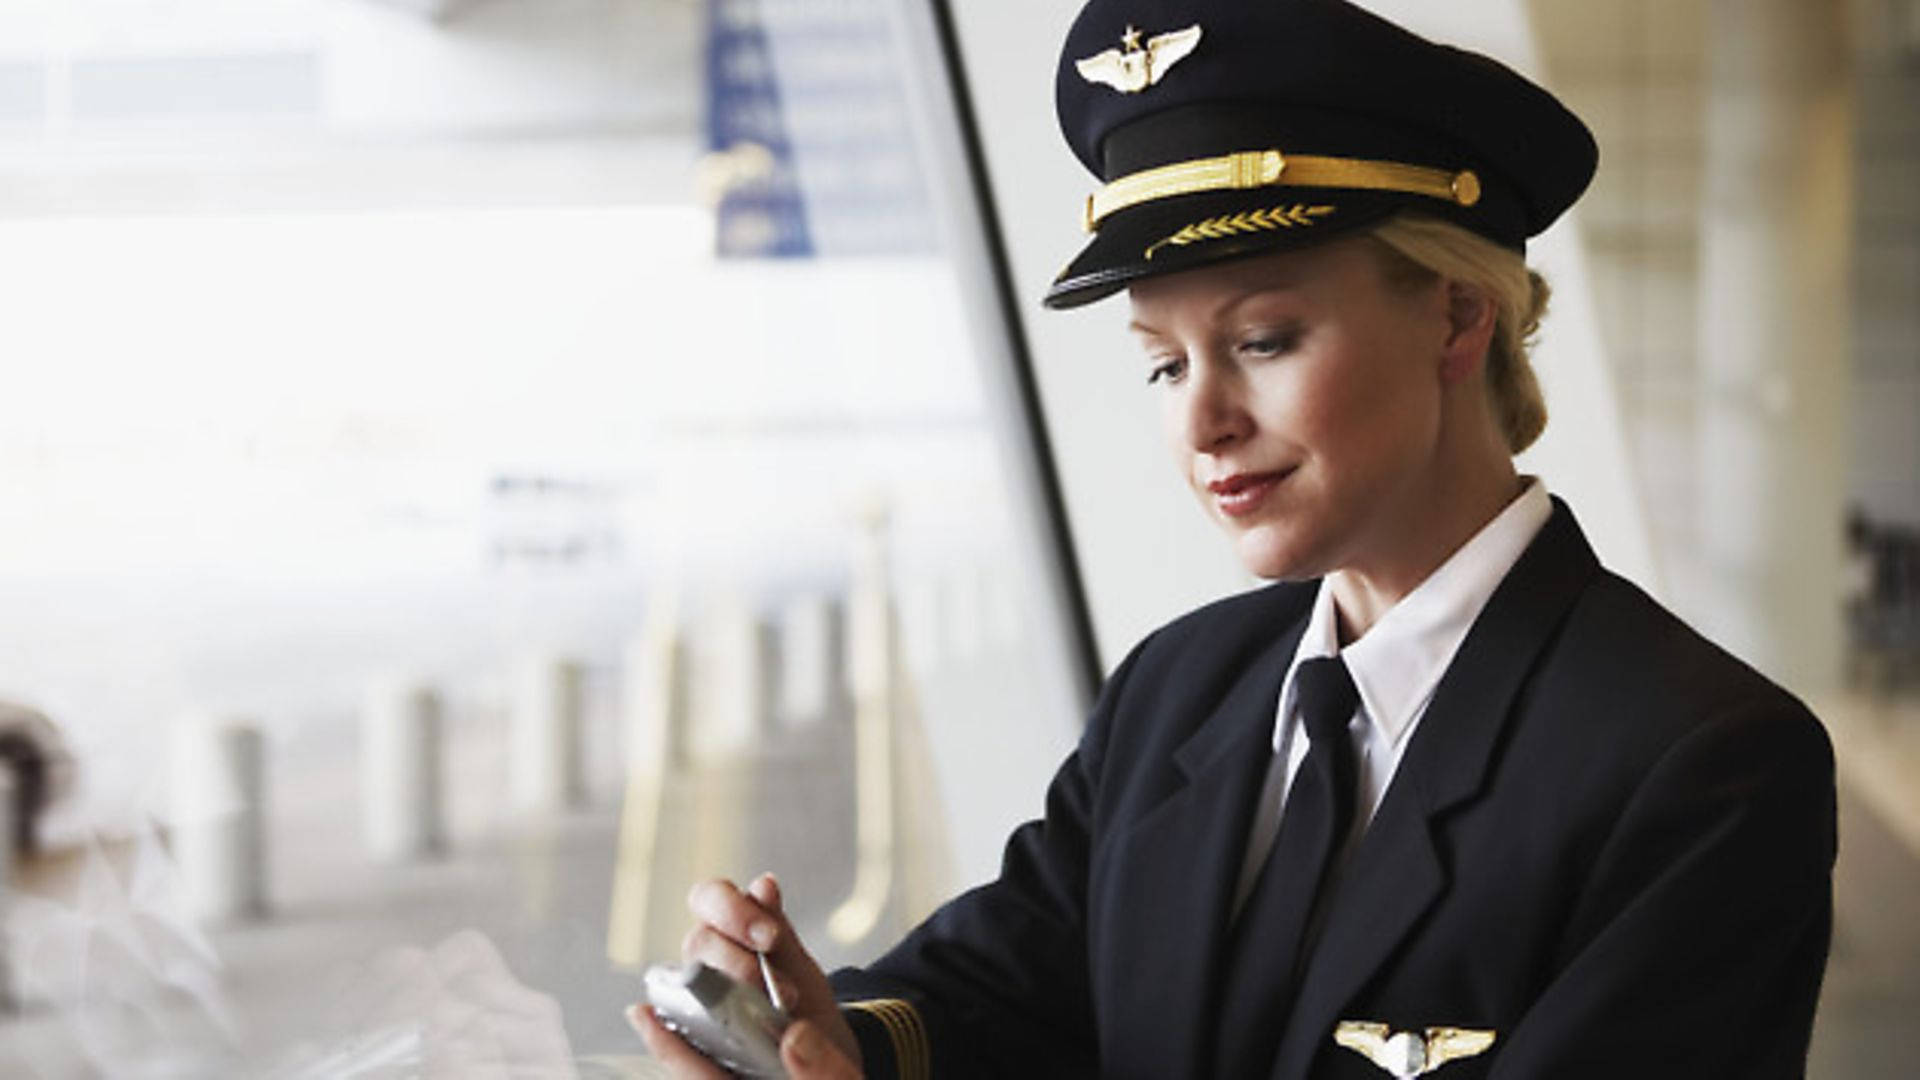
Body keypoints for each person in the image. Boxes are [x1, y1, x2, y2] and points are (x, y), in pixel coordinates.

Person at [632, 1, 1837, 1076]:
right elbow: (1007, 992)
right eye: (1164, 363)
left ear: (1459, 317)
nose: (1203, 422)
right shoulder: (1184, 688)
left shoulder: (1701, 767)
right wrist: (809, 1036)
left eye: (1263, 341)